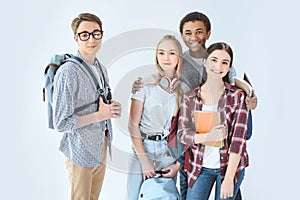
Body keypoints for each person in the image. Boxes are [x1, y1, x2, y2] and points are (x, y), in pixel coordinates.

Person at [132, 11, 257, 199]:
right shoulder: (181, 64)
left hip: (223, 142)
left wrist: (249, 99)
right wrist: (141, 85)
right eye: (188, 32)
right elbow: (164, 75)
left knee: (229, 189)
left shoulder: (219, 57)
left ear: (208, 33)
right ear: (182, 35)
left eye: (199, 32)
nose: (193, 37)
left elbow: (235, 86)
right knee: (186, 188)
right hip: (193, 144)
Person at [52, 13, 122, 200]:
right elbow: (61, 123)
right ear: (76, 38)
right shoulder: (68, 71)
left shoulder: (100, 66)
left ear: (101, 35)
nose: (91, 39)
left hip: (100, 143)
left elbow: (99, 103)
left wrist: (111, 107)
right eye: (85, 34)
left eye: (96, 33)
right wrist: (100, 115)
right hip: (80, 149)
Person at [177, 42, 248, 200]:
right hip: (200, 167)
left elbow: (238, 140)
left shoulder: (237, 96)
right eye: (214, 60)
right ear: (205, 61)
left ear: (229, 67)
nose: (218, 66)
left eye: (225, 62)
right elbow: (182, 134)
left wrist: (229, 178)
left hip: (230, 168)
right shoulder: (190, 98)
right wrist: (205, 137)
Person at [126, 35, 185, 200]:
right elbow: (132, 125)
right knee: (133, 197)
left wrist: (177, 164)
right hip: (143, 149)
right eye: (161, 53)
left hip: (168, 153)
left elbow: (185, 130)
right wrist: (144, 161)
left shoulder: (183, 90)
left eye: (171, 53)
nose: (166, 58)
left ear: (179, 57)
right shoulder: (144, 84)